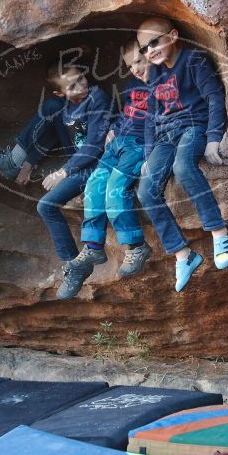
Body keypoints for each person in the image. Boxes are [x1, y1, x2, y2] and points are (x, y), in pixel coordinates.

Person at [0, 60, 113, 268]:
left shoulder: (97, 98)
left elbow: (94, 146)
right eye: (72, 86)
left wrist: (63, 172)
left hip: (92, 162)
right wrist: (29, 164)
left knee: (47, 206)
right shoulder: (66, 105)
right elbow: (52, 134)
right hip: (75, 155)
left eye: (81, 78)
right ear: (61, 92)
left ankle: (12, 160)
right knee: (53, 109)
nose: (81, 87)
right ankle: (72, 264)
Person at [135, 17, 228, 292]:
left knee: (182, 167)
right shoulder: (154, 74)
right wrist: (148, 155)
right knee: (146, 191)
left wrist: (213, 138)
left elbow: (214, 96)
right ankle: (183, 255)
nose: (149, 51)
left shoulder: (193, 60)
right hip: (166, 135)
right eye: (144, 49)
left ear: (173, 35)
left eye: (154, 42)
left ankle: (219, 233)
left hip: (194, 126)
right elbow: (150, 117)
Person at [57, 40, 153, 300]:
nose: (136, 69)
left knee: (115, 188)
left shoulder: (163, 84)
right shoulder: (133, 86)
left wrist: (152, 151)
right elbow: (128, 113)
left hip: (137, 146)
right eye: (131, 65)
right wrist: (114, 128)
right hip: (117, 142)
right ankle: (93, 246)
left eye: (140, 61)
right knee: (94, 185)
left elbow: (163, 120)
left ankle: (136, 245)